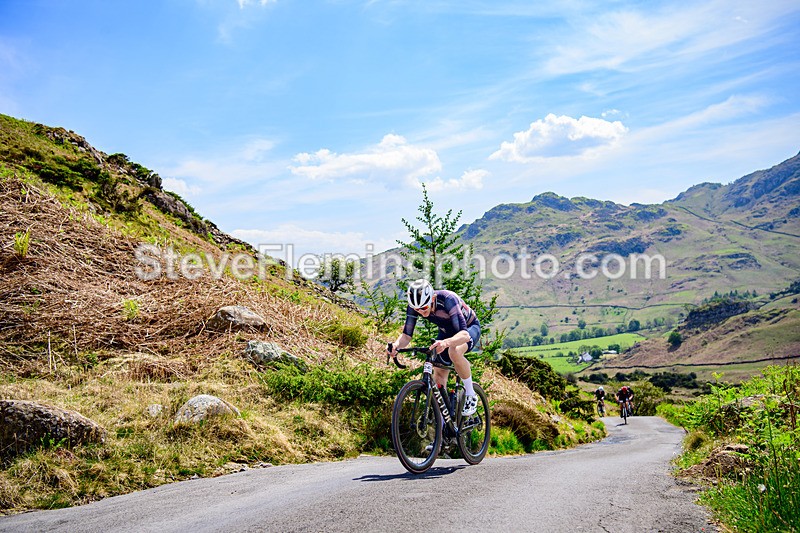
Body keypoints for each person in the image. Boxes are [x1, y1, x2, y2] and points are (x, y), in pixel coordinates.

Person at [388, 278, 481, 416]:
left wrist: (446, 343)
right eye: (417, 310)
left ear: (433, 298)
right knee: (438, 374)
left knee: (453, 352)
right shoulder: (415, 305)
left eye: (424, 308)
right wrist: (395, 345)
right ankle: (443, 424)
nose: (421, 312)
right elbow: (406, 336)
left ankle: (470, 393)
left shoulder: (448, 299)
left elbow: (464, 335)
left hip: (468, 328)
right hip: (445, 332)